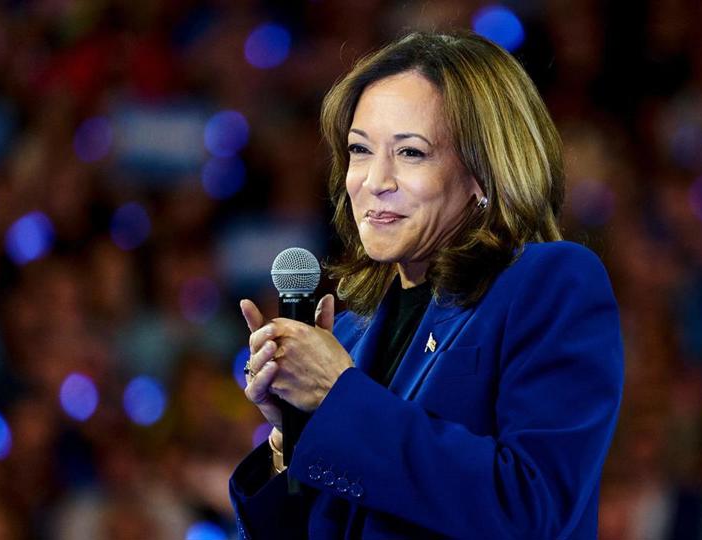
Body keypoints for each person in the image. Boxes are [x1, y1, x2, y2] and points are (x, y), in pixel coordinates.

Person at [230, 31, 623, 539]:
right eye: (360, 150)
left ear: (484, 172)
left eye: (411, 153)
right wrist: (293, 436)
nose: (375, 180)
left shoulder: (549, 284)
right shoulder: (346, 335)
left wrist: (336, 396)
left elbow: (532, 509)